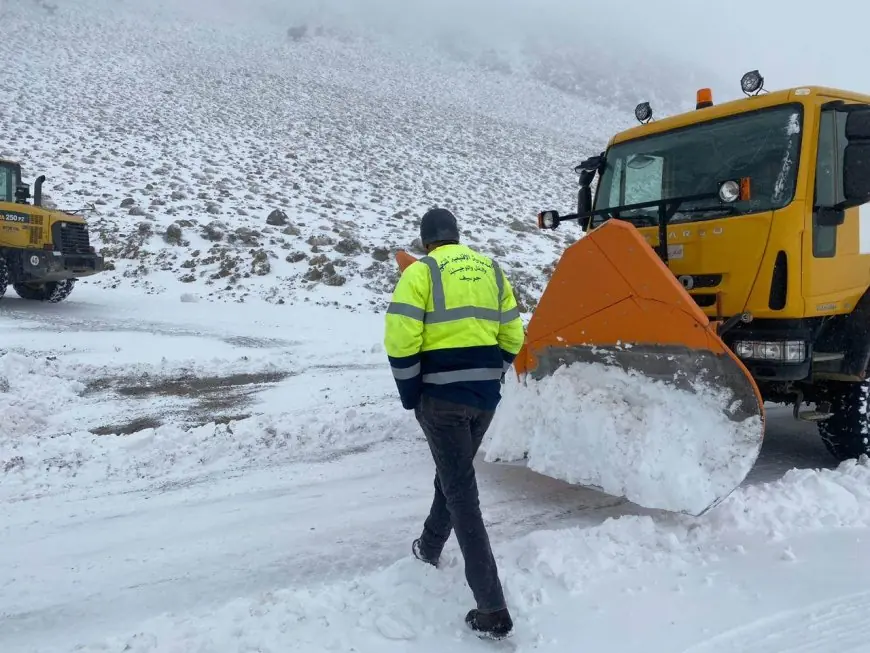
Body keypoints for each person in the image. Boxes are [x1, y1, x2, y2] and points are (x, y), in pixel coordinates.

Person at [383, 207, 525, 640]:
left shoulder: (420, 273)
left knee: (462, 492)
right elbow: (514, 338)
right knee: (454, 474)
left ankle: (492, 608)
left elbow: (400, 340)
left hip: (441, 401)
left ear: (426, 241)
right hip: (483, 399)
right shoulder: (491, 269)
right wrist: (491, 375)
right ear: (456, 236)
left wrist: (411, 394)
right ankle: (429, 547)